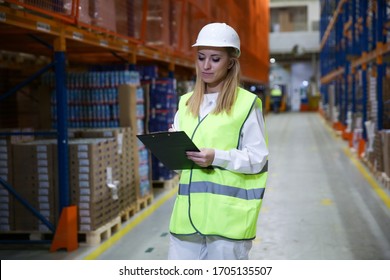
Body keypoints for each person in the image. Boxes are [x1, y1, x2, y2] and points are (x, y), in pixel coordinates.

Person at [167, 22, 269, 260]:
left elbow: (258, 159)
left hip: (227, 223)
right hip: (186, 221)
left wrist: (217, 157)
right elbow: (178, 166)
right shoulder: (185, 104)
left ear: (231, 62)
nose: (206, 65)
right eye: (201, 57)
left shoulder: (245, 104)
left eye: (215, 59)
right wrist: (171, 149)